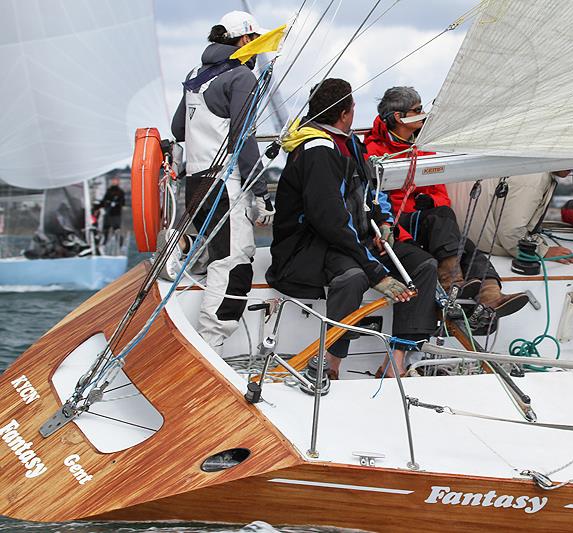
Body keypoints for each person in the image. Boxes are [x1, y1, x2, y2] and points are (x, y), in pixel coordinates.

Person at [267, 79, 438, 379]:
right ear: (346, 112)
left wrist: (385, 221)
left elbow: (372, 187)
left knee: (423, 265)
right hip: (309, 247)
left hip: (351, 238)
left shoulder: (350, 145)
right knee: (354, 277)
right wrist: (377, 273)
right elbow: (330, 221)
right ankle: (330, 364)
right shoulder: (317, 150)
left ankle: (396, 359)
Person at [365, 86, 529, 318]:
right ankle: (452, 280)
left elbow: (442, 195)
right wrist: (400, 233)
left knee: (463, 240)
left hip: (428, 221)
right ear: (398, 118)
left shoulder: (423, 149)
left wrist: (429, 199)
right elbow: (374, 201)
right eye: (418, 110)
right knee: (443, 219)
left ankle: (490, 293)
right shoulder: (372, 150)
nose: (424, 114)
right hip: (398, 224)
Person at [169, 11, 275, 354]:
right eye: (255, 42)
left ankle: (181, 248)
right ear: (244, 41)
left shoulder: (195, 74)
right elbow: (243, 139)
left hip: (195, 184)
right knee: (233, 262)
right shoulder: (240, 77)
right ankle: (208, 347)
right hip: (223, 186)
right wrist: (261, 192)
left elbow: (178, 130)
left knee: (214, 255)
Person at [448, 174, 573, 260]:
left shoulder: (525, 161)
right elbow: (510, 231)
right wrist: (542, 251)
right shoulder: (534, 177)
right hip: (481, 240)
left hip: (459, 232)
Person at [99, 177, 125, 244]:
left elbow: (122, 202)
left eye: (115, 181)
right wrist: (104, 205)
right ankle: (104, 242)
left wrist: (116, 203)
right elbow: (104, 200)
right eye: (113, 181)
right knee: (105, 228)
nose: (114, 182)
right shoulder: (109, 190)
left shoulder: (120, 192)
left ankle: (119, 243)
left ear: (118, 182)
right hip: (108, 212)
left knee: (116, 229)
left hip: (116, 213)